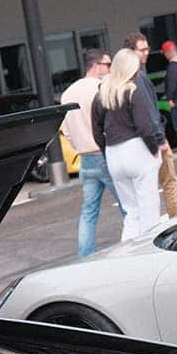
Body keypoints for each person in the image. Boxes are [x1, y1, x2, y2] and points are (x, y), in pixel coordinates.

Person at [91, 47, 166, 240]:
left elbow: (97, 130)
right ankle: (150, 253)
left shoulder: (102, 93)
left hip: (113, 152)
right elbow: (145, 126)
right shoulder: (132, 90)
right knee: (148, 208)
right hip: (137, 149)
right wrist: (154, 149)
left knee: (131, 212)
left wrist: (106, 151)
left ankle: (128, 253)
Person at [61, 48, 124, 258]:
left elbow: (66, 131)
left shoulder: (67, 94)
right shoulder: (101, 87)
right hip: (104, 154)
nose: (109, 69)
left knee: (88, 213)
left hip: (85, 159)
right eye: (107, 65)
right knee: (127, 205)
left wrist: (78, 144)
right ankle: (137, 246)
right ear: (96, 66)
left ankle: (84, 256)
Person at [123, 31, 177, 217]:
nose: (147, 52)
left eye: (147, 48)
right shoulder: (139, 78)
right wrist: (161, 140)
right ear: (131, 52)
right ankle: (175, 220)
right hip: (152, 139)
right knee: (169, 183)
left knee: (141, 194)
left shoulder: (123, 79)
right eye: (142, 50)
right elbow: (149, 112)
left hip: (134, 143)